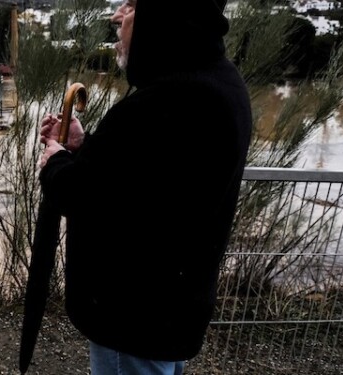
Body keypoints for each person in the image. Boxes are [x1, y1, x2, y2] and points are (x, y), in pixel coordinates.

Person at [37, 0, 253, 374]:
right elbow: (141, 185)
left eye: (132, 5)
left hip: (133, 318)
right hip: (171, 309)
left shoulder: (164, 101)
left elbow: (82, 193)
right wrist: (81, 147)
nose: (116, 16)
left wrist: (55, 160)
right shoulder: (217, 82)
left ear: (162, 15)